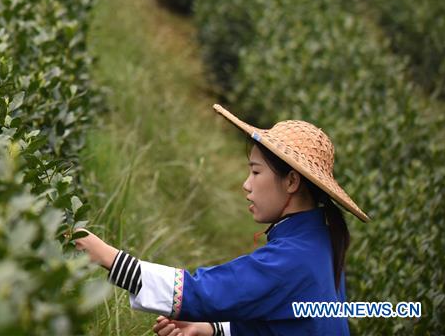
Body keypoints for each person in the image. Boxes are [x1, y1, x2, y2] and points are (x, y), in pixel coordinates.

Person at [74, 104, 369, 336]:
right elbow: (286, 323)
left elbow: (202, 292)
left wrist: (106, 256)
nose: (247, 184)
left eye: (255, 172)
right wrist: (210, 328)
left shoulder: (293, 259)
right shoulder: (320, 241)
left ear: (291, 181)